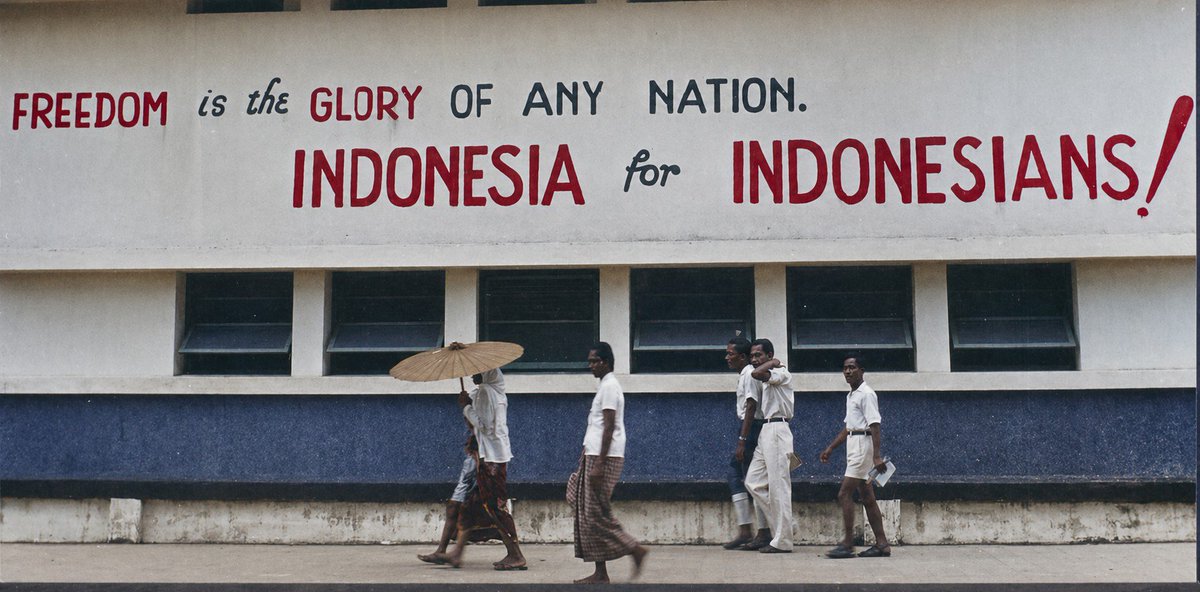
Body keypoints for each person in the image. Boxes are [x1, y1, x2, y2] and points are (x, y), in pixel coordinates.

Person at [567, 342, 648, 584]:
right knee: (581, 503)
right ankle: (600, 572)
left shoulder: (611, 386)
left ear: (606, 362)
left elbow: (610, 425)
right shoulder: (604, 386)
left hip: (605, 457)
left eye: (594, 361)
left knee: (595, 513)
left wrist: (600, 463)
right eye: (589, 361)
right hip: (592, 454)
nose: (590, 365)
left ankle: (634, 548)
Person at [430, 369, 527, 570]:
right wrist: (469, 402)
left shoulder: (485, 392)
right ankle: (456, 553)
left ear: (487, 374)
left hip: (490, 459)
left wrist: (466, 407)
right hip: (494, 456)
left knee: (496, 508)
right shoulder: (495, 391)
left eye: (477, 372)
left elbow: (484, 425)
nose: (473, 375)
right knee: (475, 504)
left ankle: (516, 555)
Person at [819, 354, 892, 559]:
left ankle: (848, 544)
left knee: (844, 493)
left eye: (852, 367)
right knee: (867, 497)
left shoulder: (866, 394)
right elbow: (848, 427)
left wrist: (876, 456)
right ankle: (882, 544)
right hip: (854, 443)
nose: (848, 371)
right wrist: (831, 447)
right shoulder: (851, 395)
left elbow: (875, 425)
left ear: (862, 371)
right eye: (845, 368)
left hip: (863, 447)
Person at [741, 338, 796, 553]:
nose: (754, 360)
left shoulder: (782, 372)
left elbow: (756, 373)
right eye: (752, 356)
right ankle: (787, 526)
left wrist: (772, 363)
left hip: (778, 429)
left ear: (770, 356)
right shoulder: (767, 376)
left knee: (778, 486)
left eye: (758, 355)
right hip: (766, 429)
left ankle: (783, 541)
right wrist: (767, 363)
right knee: (753, 482)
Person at [723, 336, 772, 551]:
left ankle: (759, 531)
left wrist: (742, 440)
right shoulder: (744, 374)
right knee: (743, 476)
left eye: (731, 354)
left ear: (742, 357)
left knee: (751, 478)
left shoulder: (749, 375)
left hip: (751, 428)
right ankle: (750, 530)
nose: (727, 358)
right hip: (748, 427)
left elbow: (751, 407)